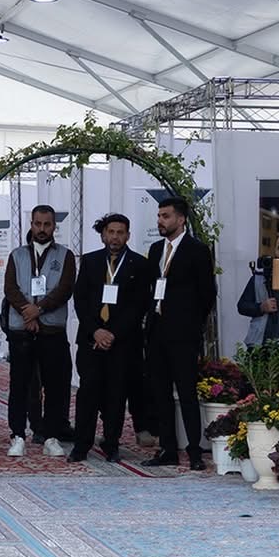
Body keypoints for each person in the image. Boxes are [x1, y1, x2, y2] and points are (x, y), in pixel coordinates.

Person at [143, 197, 216, 470]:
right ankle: (168, 449)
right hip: (157, 330)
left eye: (166, 216)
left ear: (181, 219)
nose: (160, 221)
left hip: (184, 333)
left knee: (186, 392)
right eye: (159, 216)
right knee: (160, 392)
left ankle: (194, 451)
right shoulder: (155, 250)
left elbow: (207, 293)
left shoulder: (197, 250)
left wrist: (192, 322)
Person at [70, 213, 150, 463]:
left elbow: (139, 305)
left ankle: (112, 443)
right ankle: (81, 445)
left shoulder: (139, 264)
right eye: (111, 232)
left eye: (120, 233)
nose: (115, 237)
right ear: (104, 235)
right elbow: (80, 299)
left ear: (128, 235)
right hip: (91, 340)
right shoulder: (90, 261)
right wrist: (96, 330)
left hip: (122, 343)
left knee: (116, 394)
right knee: (88, 394)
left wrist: (113, 333)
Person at [1, 204, 76, 457]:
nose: (42, 229)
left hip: (52, 331)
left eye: (47, 224)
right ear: (31, 225)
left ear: (54, 226)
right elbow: (10, 288)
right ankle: (18, 436)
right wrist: (27, 311)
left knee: (55, 386)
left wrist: (39, 310)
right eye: (37, 224)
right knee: (19, 385)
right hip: (21, 331)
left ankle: (51, 436)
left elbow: (65, 289)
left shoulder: (65, 255)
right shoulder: (17, 255)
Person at [238, 231, 279, 347]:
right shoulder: (259, 277)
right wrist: (261, 307)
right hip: (261, 345)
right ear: (275, 251)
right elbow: (242, 306)